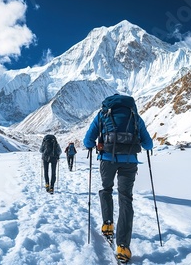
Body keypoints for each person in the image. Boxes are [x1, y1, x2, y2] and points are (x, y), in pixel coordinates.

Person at [83, 94, 153, 263]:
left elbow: (87, 140)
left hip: (107, 160)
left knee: (106, 190)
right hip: (129, 162)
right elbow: (148, 144)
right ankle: (123, 246)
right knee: (125, 198)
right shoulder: (134, 116)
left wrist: (94, 145)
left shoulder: (103, 114)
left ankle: (108, 224)